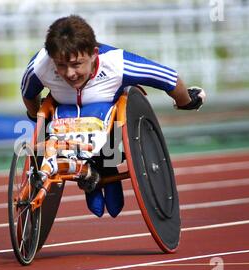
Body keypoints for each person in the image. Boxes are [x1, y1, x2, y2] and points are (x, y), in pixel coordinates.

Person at [20, 15, 206, 218]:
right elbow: (28, 93)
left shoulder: (116, 63)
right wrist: (36, 117)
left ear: (94, 54)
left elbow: (168, 78)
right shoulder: (41, 65)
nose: (70, 73)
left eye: (76, 64)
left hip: (107, 122)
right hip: (63, 117)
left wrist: (186, 101)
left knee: (113, 125)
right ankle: (90, 173)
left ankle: (105, 167)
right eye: (61, 66)